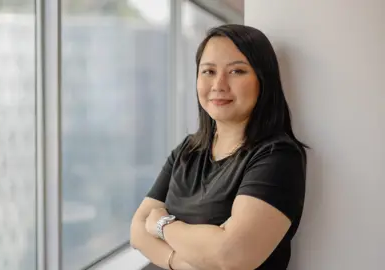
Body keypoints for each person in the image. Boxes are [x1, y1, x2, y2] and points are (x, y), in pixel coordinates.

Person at [130, 24, 307, 270]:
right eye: (208, 71)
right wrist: (183, 261)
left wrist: (162, 225)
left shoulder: (277, 156)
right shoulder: (188, 149)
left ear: (263, 79)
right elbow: (138, 230)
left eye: (236, 71)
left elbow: (231, 254)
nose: (219, 84)